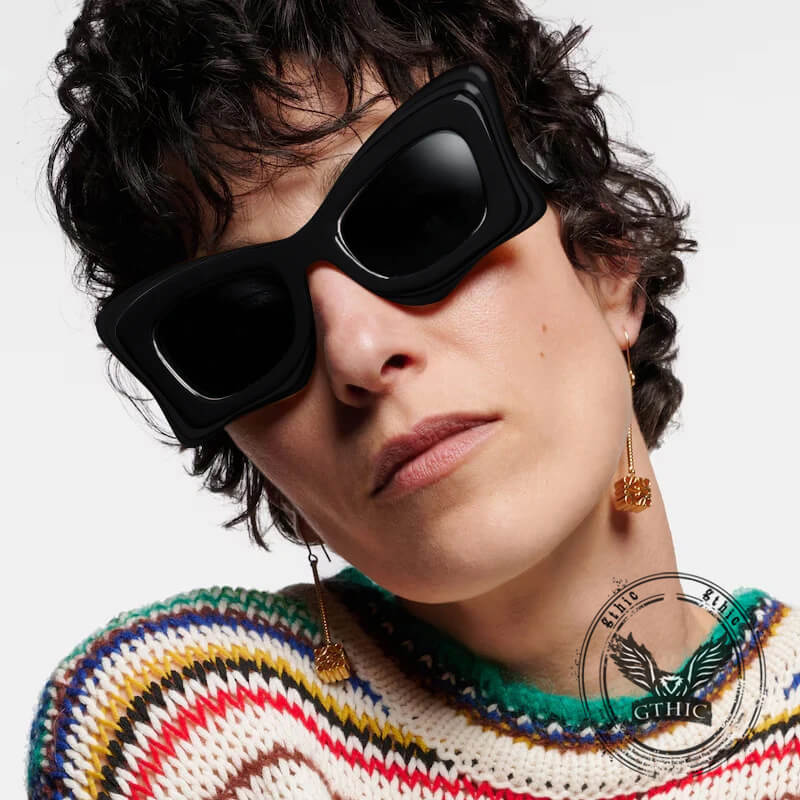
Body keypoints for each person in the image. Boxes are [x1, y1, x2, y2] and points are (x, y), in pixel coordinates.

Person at [27, 1, 800, 798]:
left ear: (606, 260)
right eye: (244, 326)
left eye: (417, 216)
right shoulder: (191, 726)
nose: (357, 352)